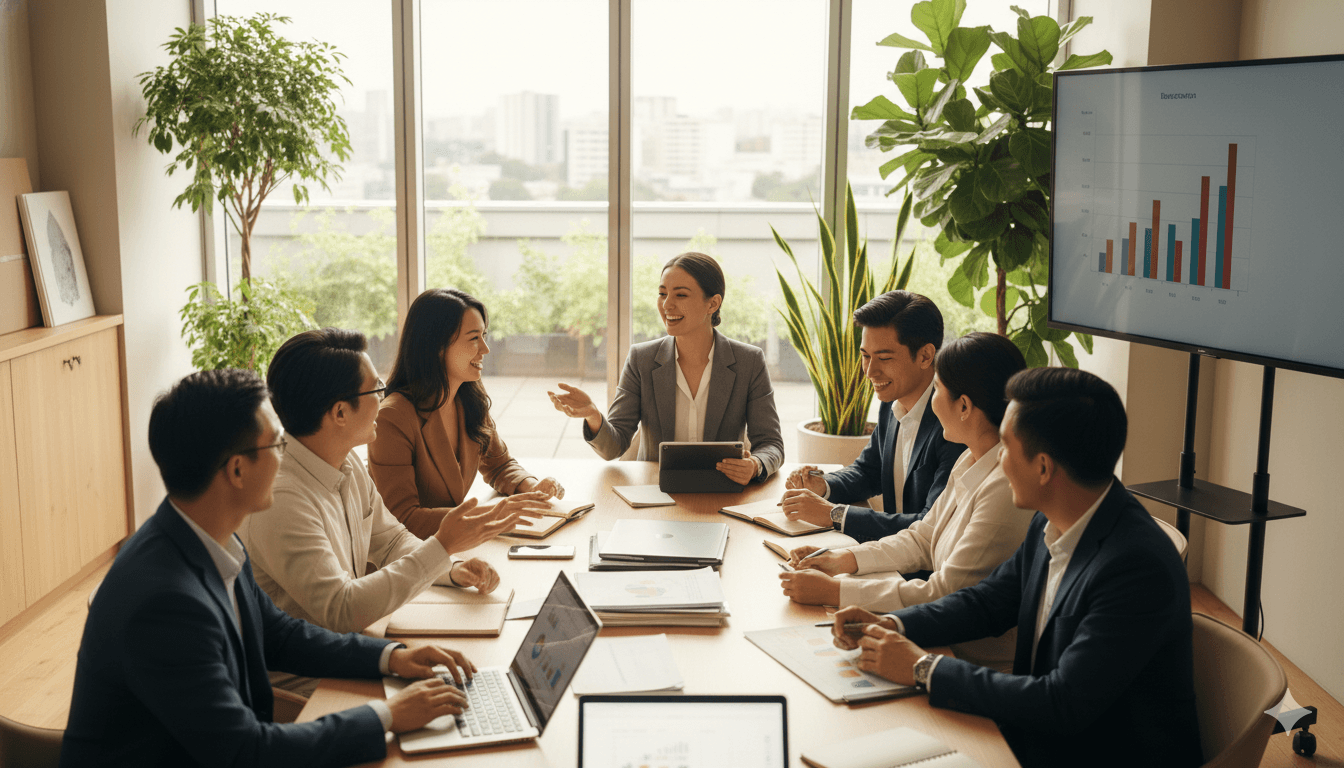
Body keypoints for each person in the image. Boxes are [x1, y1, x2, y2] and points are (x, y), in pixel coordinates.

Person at [62, 369, 481, 767]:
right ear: (237, 470)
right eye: (278, 445)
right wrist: (385, 716)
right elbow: (246, 753)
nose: (287, 458)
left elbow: (278, 634)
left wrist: (392, 658)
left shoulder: (207, 536)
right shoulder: (165, 602)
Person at [829, 368, 1202, 768]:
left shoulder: (1137, 568)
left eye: (1005, 448)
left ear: (1043, 468)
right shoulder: (1052, 517)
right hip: (1038, 736)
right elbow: (988, 602)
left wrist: (924, 668)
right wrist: (895, 625)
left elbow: (1062, 703)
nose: (997, 461)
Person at [240, 329, 534, 695]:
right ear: (340, 412)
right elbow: (342, 609)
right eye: (376, 390)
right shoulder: (282, 497)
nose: (385, 398)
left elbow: (391, 539)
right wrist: (442, 546)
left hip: (352, 653)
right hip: (311, 685)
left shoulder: (343, 460)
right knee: (468, 689)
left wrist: (452, 568)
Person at [779, 332, 1033, 672]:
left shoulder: (1004, 488)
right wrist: (842, 559)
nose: (931, 400)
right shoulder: (971, 460)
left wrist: (836, 591)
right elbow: (922, 538)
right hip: (930, 643)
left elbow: (943, 593)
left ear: (964, 406)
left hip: (969, 663)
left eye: (938, 389)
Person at [547, 252, 784, 485]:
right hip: (655, 493)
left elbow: (771, 443)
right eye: (662, 294)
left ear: (713, 303)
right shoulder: (642, 359)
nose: (667, 304)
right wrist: (592, 414)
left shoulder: (749, 361)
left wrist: (755, 465)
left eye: (680, 294)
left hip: (721, 490)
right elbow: (615, 445)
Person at [368, 288, 557, 540]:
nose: (486, 349)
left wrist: (532, 488)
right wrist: (493, 516)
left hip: (450, 550)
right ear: (437, 346)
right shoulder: (393, 417)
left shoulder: (468, 400)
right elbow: (403, 518)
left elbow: (499, 464)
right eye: (473, 338)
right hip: (408, 562)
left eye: (484, 335)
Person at [780, 290, 964, 542]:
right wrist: (823, 486)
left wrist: (833, 514)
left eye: (884, 358)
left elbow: (929, 525)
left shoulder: (954, 424)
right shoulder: (892, 404)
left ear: (925, 356)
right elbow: (868, 471)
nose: (870, 371)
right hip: (890, 555)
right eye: (865, 356)